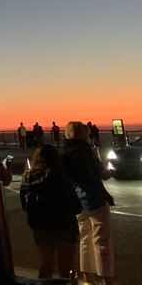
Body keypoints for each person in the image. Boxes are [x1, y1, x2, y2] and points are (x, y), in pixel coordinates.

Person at [62, 121, 115, 285]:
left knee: (85, 239)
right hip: (95, 199)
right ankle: (107, 279)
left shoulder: (64, 153)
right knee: (102, 241)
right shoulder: (86, 151)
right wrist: (108, 171)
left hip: (77, 202)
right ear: (83, 135)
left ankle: (87, 277)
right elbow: (99, 174)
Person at [20, 145, 81, 279]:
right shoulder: (60, 175)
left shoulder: (29, 177)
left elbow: (25, 205)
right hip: (64, 224)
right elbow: (74, 204)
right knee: (66, 268)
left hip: (41, 226)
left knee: (47, 265)